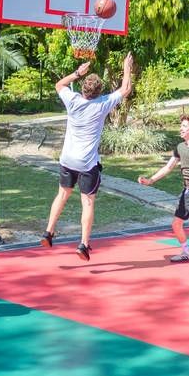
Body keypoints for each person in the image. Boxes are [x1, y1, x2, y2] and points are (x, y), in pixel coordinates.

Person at [40, 53, 134, 260]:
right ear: (99, 91)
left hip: (67, 159)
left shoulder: (72, 100)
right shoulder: (102, 104)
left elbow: (58, 85)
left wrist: (77, 73)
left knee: (62, 195)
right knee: (88, 202)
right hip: (87, 162)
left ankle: (48, 231)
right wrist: (126, 67)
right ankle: (83, 244)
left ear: (83, 88)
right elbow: (126, 90)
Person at [138, 114, 189, 273]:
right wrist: (150, 180)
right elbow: (168, 167)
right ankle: (186, 252)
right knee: (176, 225)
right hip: (187, 191)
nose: (180, 129)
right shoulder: (180, 148)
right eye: (181, 126)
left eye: (184, 126)